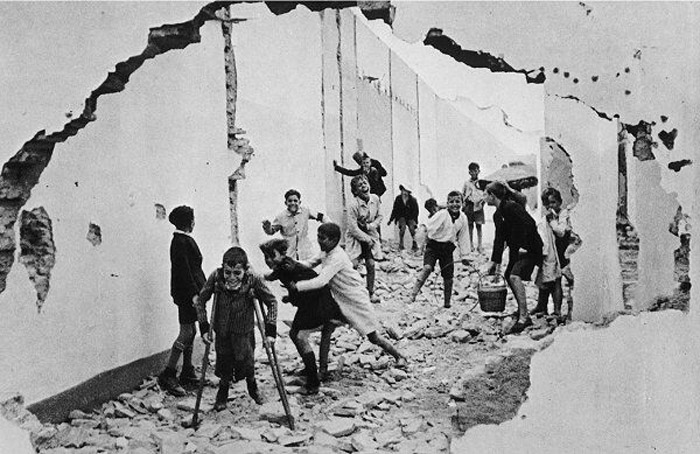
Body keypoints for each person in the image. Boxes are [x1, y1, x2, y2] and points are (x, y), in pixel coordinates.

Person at [286, 223, 407, 368]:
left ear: (334, 240)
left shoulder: (337, 257)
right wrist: (289, 263)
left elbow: (321, 281)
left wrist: (297, 287)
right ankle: (323, 370)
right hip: (339, 299)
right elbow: (309, 264)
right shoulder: (326, 252)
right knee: (327, 329)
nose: (319, 241)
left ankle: (399, 356)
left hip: (355, 299)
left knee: (372, 336)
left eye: (322, 238)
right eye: (318, 237)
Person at [194, 247, 278, 410]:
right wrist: (204, 328)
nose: (231, 278)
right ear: (223, 268)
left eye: (237, 273)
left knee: (246, 362)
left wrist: (270, 331)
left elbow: (272, 302)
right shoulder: (216, 277)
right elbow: (200, 301)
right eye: (228, 272)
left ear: (245, 270)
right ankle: (222, 393)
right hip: (222, 330)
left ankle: (252, 388)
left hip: (243, 331)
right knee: (223, 361)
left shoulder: (253, 279)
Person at [260, 238, 344, 394]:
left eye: (272, 256)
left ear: (283, 253)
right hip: (312, 301)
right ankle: (310, 370)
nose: (269, 260)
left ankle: (313, 382)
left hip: (317, 303)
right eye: (266, 257)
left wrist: (291, 295)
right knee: (295, 335)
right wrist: (291, 297)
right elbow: (281, 279)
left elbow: (278, 279)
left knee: (299, 336)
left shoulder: (286, 267)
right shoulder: (284, 265)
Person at [158, 205, 206, 397]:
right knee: (186, 332)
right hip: (187, 295)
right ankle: (168, 373)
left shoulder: (183, 240)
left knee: (192, 330)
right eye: (193, 219)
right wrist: (194, 294)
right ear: (189, 222)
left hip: (191, 293)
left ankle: (187, 370)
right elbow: (184, 271)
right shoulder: (179, 242)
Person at [484, 181, 543, 334]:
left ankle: (524, 317)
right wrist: (494, 261)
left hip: (529, 248)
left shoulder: (511, 206)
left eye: (485, 194)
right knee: (508, 275)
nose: (484, 197)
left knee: (514, 276)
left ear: (492, 195)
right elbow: (499, 239)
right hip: (517, 251)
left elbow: (529, 223)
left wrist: (524, 244)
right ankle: (521, 309)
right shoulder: (498, 214)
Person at [409, 192, 470, 308]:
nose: (454, 204)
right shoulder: (442, 214)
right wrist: (420, 241)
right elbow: (428, 226)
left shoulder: (463, 218)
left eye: (457, 202)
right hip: (434, 246)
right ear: (447, 203)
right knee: (427, 268)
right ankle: (413, 294)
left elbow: (463, 237)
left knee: (448, 276)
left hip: (447, 249)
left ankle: (447, 303)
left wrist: (465, 255)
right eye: (451, 202)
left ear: (462, 203)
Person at [531, 188, 579, 322]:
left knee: (556, 280)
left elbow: (561, 232)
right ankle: (542, 306)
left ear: (560, 201)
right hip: (552, 251)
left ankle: (557, 310)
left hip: (562, 251)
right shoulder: (549, 216)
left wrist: (552, 221)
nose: (551, 205)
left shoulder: (563, 214)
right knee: (545, 277)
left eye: (554, 202)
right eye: (548, 203)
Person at [346, 175, 383, 304]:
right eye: (360, 185)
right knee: (353, 266)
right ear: (355, 191)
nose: (364, 186)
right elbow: (352, 228)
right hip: (356, 237)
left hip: (370, 234)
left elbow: (379, 216)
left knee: (371, 265)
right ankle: (351, 294)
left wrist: (369, 226)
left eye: (365, 183)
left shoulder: (375, 199)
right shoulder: (353, 205)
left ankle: (370, 292)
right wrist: (365, 238)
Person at [262, 189, 326, 261]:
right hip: (289, 252)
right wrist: (267, 227)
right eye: (290, 201)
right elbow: (271, 231)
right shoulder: (281, 216)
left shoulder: (305, 211)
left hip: (306, 250)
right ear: (285, 203)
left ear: (299, 202)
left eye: (295, 201)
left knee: (308, 269)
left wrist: (331, 228)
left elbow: (321, 217)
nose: (293, 203)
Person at [462, 162, 486, 253]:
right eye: (471, 171)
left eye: (475, 170)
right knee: (470, 226)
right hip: (469, 206)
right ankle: (471, 245)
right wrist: (464, 202)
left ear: (478, 171)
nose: (473, 173)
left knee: (479, 226)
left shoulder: (482, 183)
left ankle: (480, 245)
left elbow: (485, 194)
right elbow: (463, 194)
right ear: (469, 172)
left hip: (478, 206)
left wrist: (482, 203)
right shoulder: (467, 183)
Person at [388, 184, 419, 251]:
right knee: (402, 228)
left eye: (406, 191)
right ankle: (401, 245)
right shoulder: (398, 199)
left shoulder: (413, 200)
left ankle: (415, 244)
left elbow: (416, 211)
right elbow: (395, 209)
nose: (404, 193)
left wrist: (415, 221)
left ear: (408, 192)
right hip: (401, 216)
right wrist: (391, 219)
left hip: (410, 217)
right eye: (403, 191)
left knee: (412, 229)